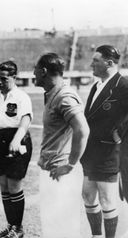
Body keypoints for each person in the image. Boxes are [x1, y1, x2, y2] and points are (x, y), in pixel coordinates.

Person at [33, 53, 89, 238]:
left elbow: (83, 130)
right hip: (52, 168)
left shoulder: (64, 96)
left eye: (35, 69)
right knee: (52, 225)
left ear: (43, 71)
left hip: (61, 171)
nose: (33, 73)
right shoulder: (53, 94)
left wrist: (70, 165)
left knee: (64, 228)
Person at [0, 61, 33, 238]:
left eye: (4, 78)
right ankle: (11, 226)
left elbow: (26, 119)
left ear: (14, 78)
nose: (0, 82)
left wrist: (17, 139)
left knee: (14, 184)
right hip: (0, 140)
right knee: (3, 185)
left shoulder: (21, 97)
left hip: (18, 139)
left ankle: (18, 229)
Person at [80, 45, 128, 238]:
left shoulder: (122, 86)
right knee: (87, 195)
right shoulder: (97, 85)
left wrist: (119, 133)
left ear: (109, 63)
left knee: (107, 199)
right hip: (91, 153)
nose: (91, 64)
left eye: (95, 60)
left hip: (109, 153)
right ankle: (96, 236)